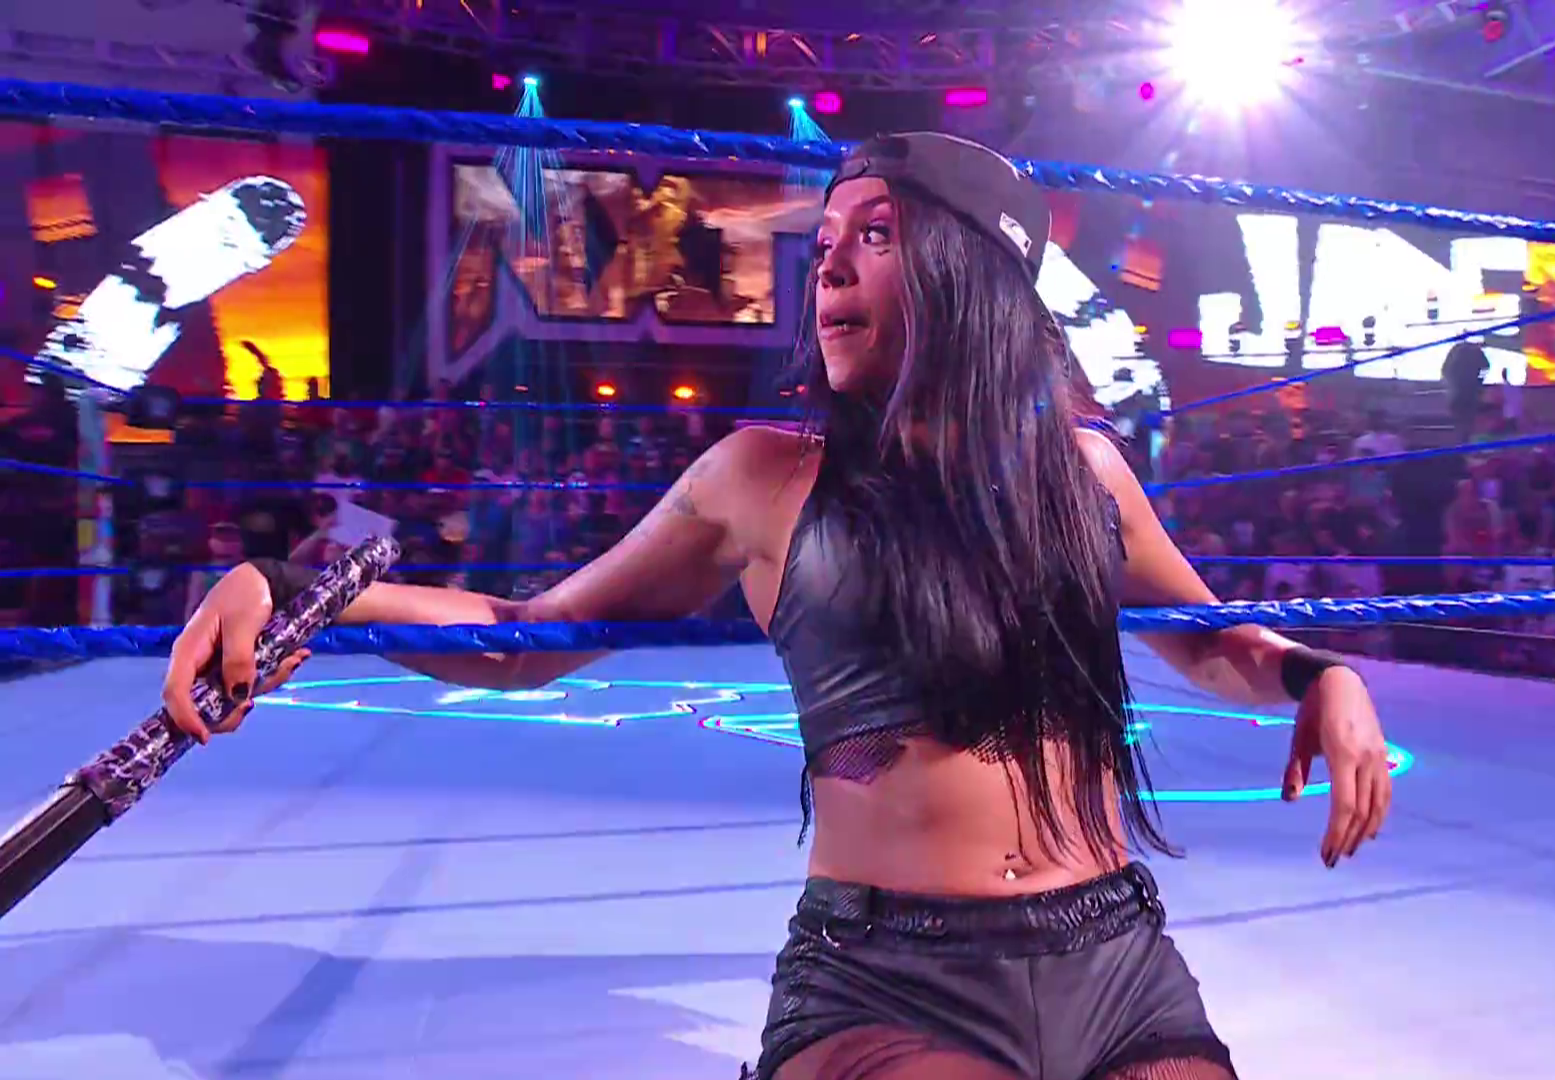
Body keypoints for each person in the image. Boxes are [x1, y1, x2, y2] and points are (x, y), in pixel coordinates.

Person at [163, 133, 1394, 1080]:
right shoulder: (762, 479)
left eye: (877, 235)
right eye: (826, 243)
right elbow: (524, 639)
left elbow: (1206, 642)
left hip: (1116, 954)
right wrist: (298, 592)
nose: (830, 265)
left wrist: (1318, 675)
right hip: (889, 976)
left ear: (970, 272)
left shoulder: (1083, 472)